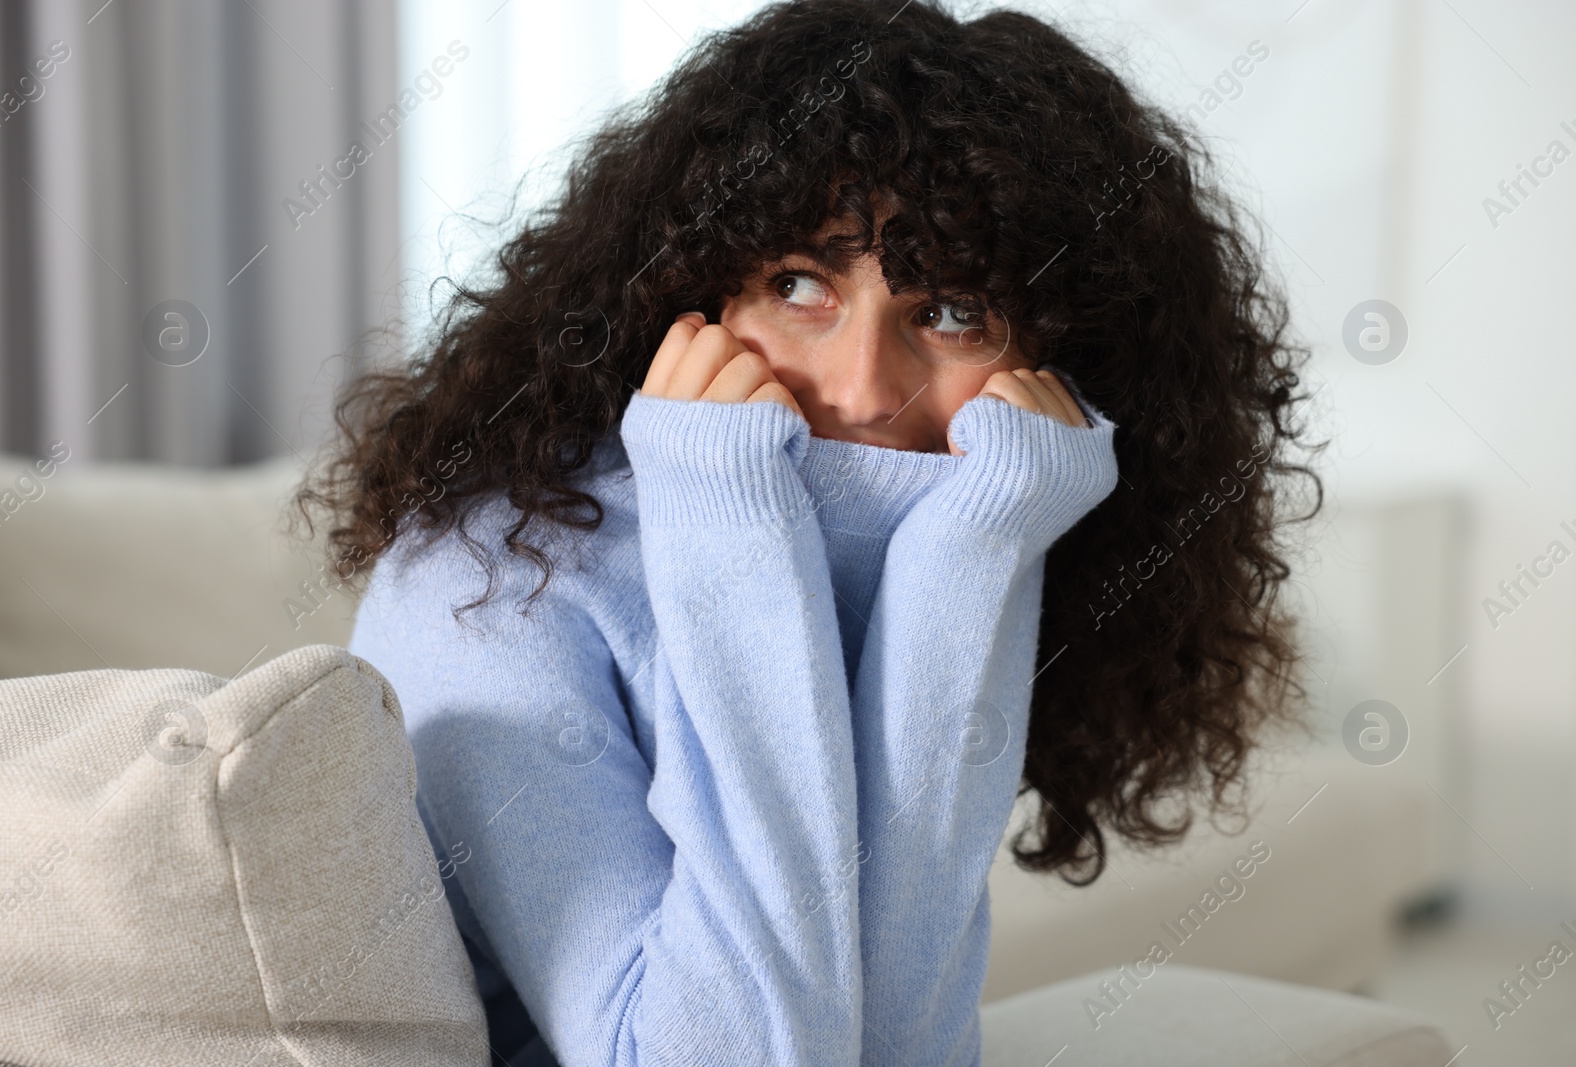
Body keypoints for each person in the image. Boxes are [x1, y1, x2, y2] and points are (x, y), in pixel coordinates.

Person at [294, 1, 1324, 1063]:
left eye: (952, 312)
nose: (860, 389)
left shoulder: (958, 520)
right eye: (798, 286)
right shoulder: (493, 577)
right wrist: (729, 523)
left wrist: (970, 559)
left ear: (1063, 363)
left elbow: (899, 1046)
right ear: (683, 291)